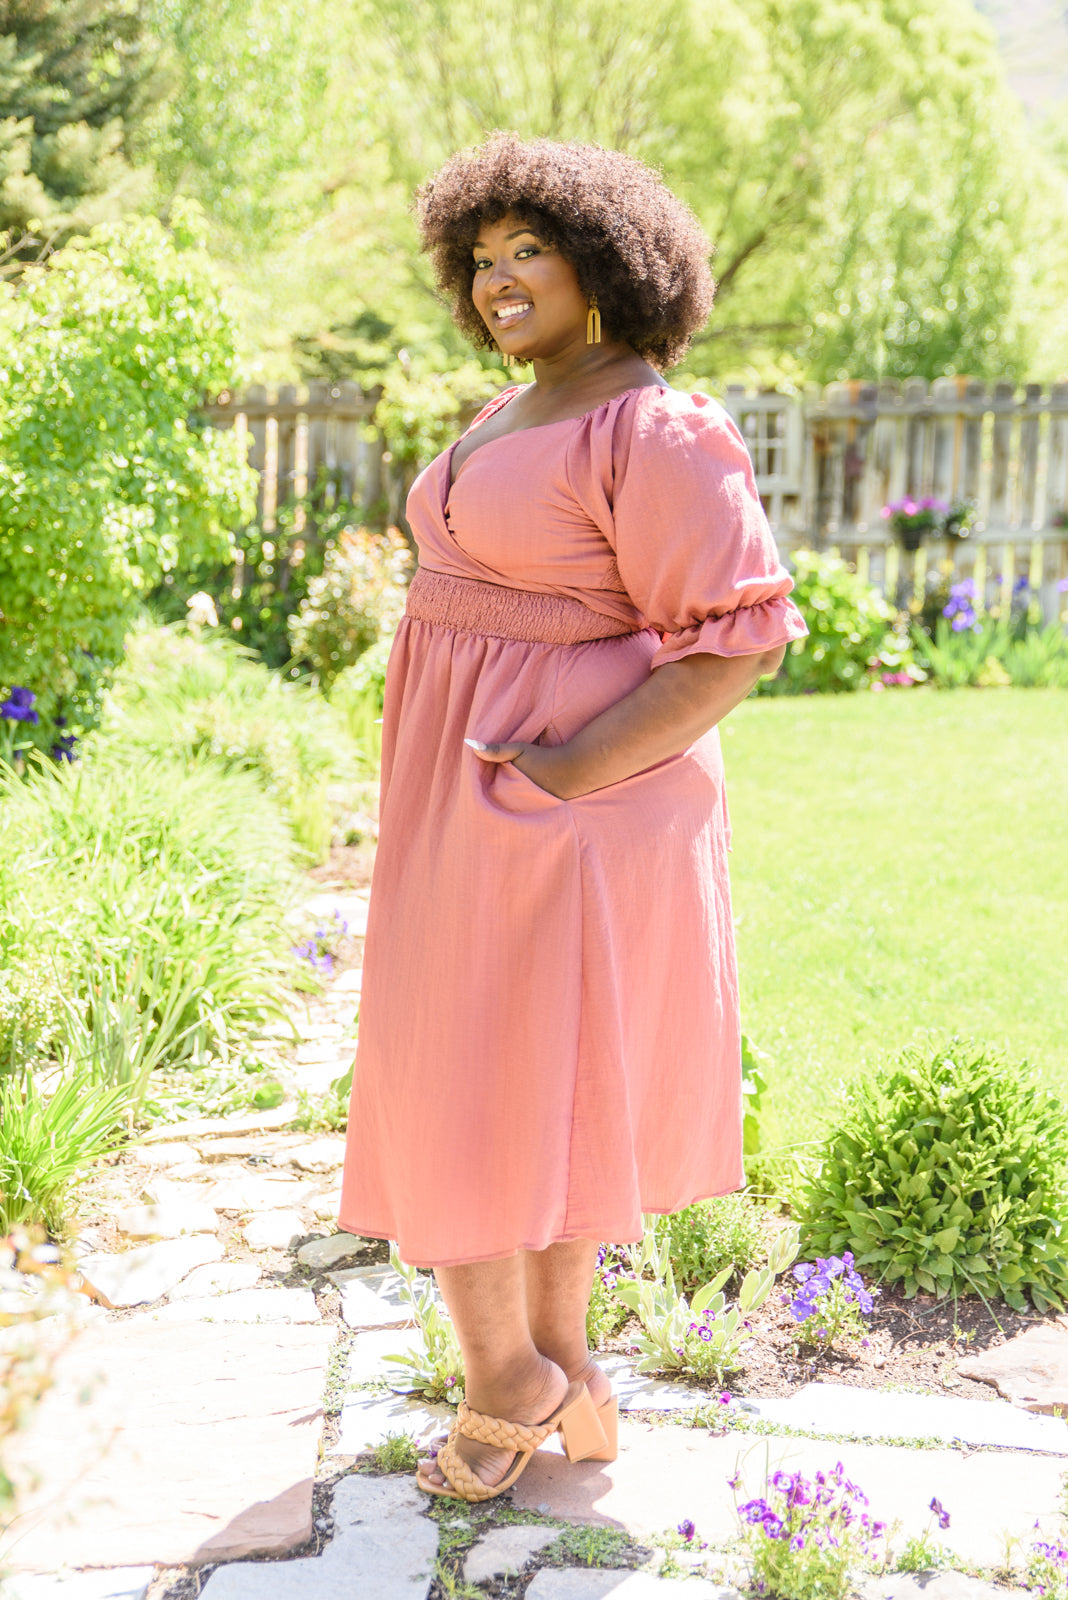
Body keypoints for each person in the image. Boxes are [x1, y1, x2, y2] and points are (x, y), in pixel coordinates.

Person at [338, 133, 807, 1504]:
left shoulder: (652, 426)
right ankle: (564, 1370)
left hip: (562, 808)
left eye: (528, 250)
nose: (497, 279)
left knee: (465, 1084)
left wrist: (563, 771)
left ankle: (508, 1382)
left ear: (606, 263)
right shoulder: (524, 403)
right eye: (480, 257)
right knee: (521, 1088)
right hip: (474, 792)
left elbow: (737, 639)